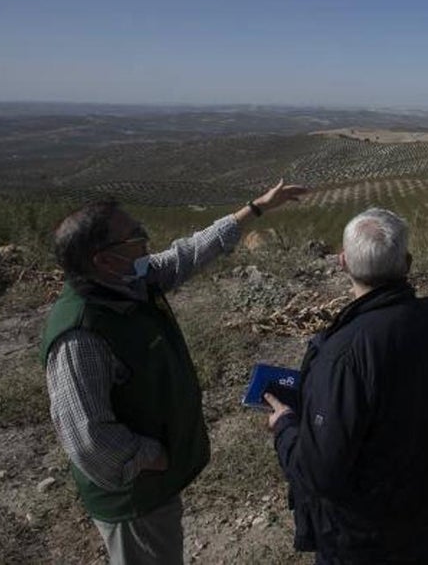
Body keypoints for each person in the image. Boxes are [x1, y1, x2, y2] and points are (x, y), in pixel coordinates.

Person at [40, 180, 307, 565]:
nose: (145, 239)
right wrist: (151, 456)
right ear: (104, 259)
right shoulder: (81, 335)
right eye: (134, 235)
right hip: (134, 496)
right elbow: (87, 440)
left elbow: (191, 252)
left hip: (152, 486)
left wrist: (257, 208)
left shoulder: (129, 282)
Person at [265, 208, 428, 564]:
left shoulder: (343, 353)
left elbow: (319, 472)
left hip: (362, 532)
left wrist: (285, 425)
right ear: (407, 263)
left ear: (342, 263)